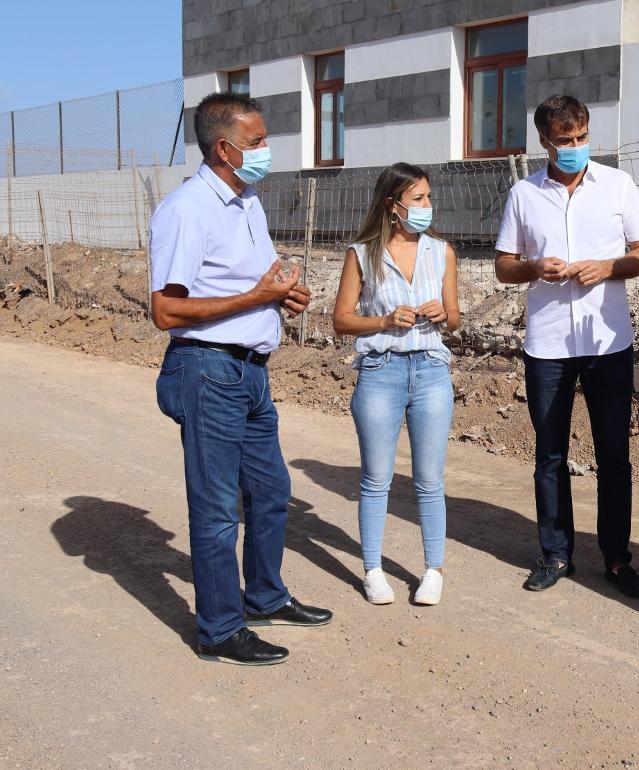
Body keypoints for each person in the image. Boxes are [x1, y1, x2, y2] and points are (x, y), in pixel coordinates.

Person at [149, 92, 332, 666]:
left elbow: (248, 285)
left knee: (272, 491)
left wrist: (281, 299)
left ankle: (264, 596)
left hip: (251, 373)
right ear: (224, 148)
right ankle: (220, 630)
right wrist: (258, 297)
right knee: (218, 508)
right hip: (207, 370)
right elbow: (166, 311)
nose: (265, 151)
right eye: (256, 142)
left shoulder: (247, 201)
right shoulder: (186, 210)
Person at [494, 94, 639, 596]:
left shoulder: (618, 185)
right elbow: (503, 267)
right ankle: (556, 554)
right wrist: (532, 268)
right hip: (547, 344)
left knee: (614, 455)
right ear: (544, 141)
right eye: (564, 141)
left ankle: (616, 557)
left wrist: (607, 267)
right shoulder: (524, 194)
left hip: (608, 342)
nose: (575, 148)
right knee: (549, 454)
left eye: (582, 138)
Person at [331, 163, 460, 607]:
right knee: (375, 479)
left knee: (429, 480)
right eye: (418, 199)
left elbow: (456, 317)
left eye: (428, 197)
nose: (427, 206)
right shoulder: (362, 254)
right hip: (379, 372)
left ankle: (433, 570)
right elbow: (341, 319)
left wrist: (444, 315)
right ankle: (372, 570)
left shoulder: (441, 251)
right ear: (393, 205)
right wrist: (384, 321)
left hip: (430, 371)